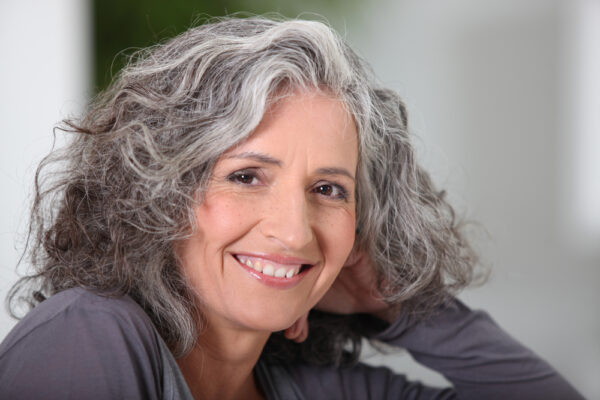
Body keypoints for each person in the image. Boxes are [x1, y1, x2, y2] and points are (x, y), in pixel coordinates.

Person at [0, 16, 583, 400]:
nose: (294, 231)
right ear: (157, 195)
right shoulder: (90, 335)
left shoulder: (315, 385)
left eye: (329, 189)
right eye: (247, 176)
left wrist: (392, 302)